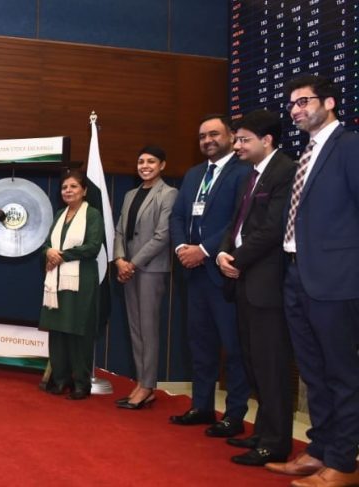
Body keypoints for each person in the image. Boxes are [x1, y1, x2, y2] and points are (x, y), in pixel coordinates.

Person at [264, 74, 359, 486]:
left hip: (337, 279)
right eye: (292, 104)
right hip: (296, 273)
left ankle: (344, 462)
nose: (295, 110)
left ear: (330, 102)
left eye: (304, 101)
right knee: (312, 371)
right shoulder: (306, 152)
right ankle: (319, 449)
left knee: (341, 373)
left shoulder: (349, 147)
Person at [213, 109, 296, 466]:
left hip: (267, 283)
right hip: (244, 280)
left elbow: (273, 229)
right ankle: (263, 431)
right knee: (253, 361)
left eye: (244, 140)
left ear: (267, 140)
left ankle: (276, 443)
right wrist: (223, 252)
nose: (237, 146)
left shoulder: (286, 171)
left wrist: (237, 258)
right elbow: (237, 223)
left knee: (271, 364)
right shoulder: (252, 174)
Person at [168, 114, 251, 437]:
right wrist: (181, 249)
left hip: (224, 273)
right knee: (200, 345)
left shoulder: (244, 171)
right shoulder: (193, 175)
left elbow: (238, 219)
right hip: (194, 276)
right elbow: (177, 216)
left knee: (233, 347)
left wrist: (202, 250)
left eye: (214, 134)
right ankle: (201, 406)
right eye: (202, 136)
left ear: (230, 136)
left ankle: (234, 414)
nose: (207, 141)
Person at [112, 146, 177, 409]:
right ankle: (142, 383)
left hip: (150, 269)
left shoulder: (169, 194)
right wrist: (119, 260)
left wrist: (132, 264)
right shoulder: (130, 194)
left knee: (148, 329)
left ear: (162, 165)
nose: (145, 166)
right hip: (128, 268)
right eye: (141, 161)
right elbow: (119, 231)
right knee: (136, 328)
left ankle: (148, 385)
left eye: (151, 161)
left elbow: (163, 236)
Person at [39, 171, 104, 400]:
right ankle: (60, 380)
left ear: (84, 190)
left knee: (78, 332)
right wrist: (48, 251)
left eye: (73, 186)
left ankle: (81, 384)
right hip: (56, 281)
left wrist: (61, 256)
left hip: (81, 282)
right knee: (57, 332)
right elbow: (47, 243)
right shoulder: (59, 214)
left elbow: (93, 247)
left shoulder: (93, 215)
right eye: (64, 187)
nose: (68, 190)